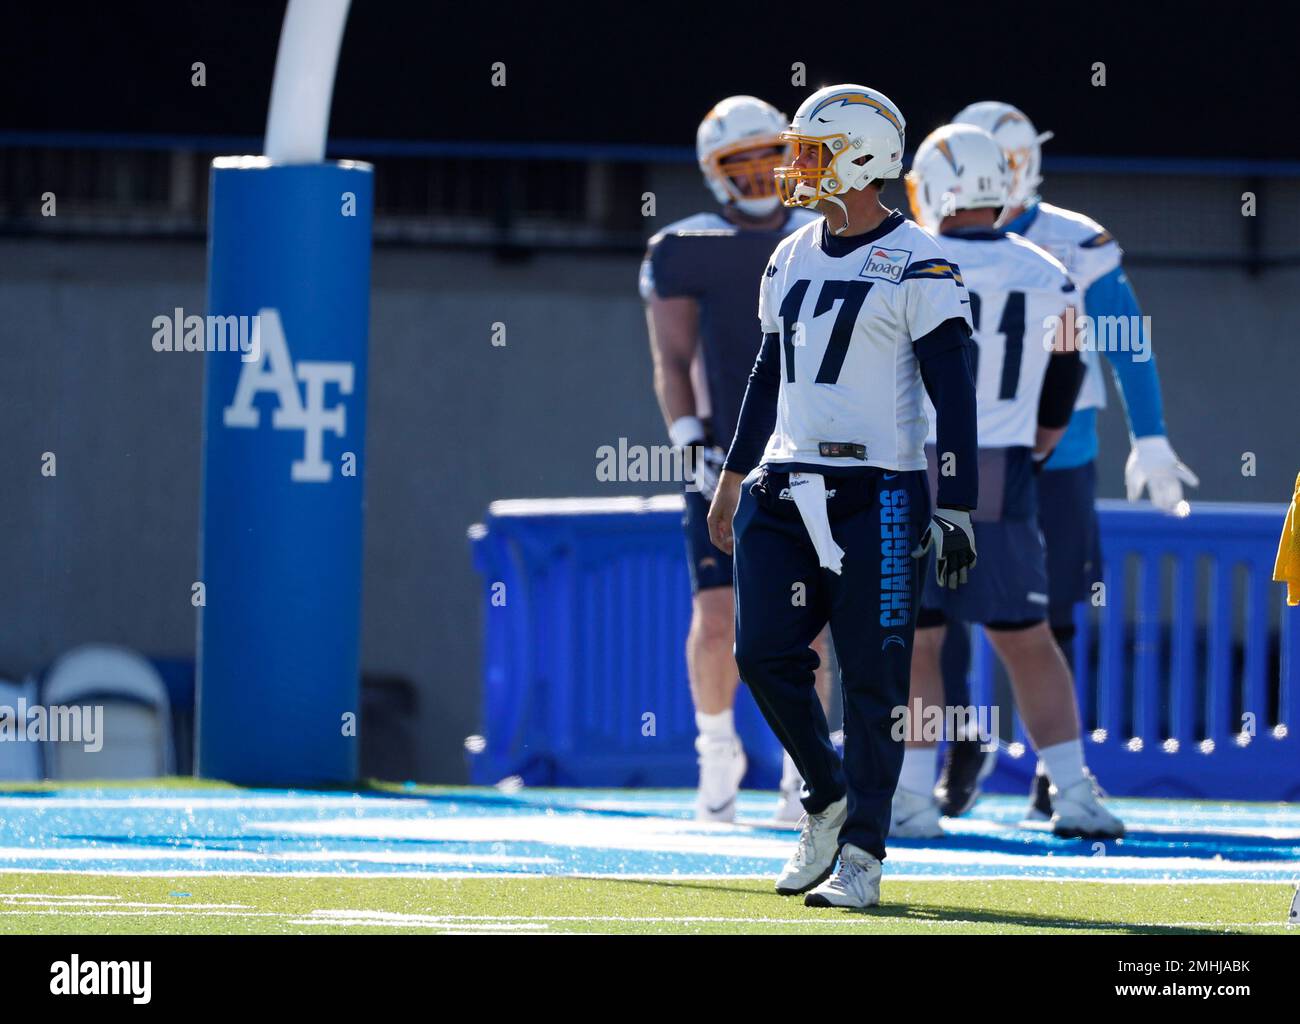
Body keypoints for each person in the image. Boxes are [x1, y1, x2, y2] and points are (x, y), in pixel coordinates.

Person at [707, 84, 979, 908]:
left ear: (862, 156)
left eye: (813, 151)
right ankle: (826, 795)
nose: (797, 167)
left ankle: (863, 850)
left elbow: (954, 394)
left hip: (881, 492)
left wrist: (956, 502)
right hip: (785, 483)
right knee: (761, 654)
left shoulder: (922, 258)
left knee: (872, 680)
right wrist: (730, 481)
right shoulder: (789, 254)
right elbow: (766, 377)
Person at [933, 101, 1199, 820]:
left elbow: (1124, 337)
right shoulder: (938, 249)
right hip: (994, 447)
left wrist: (1152, 436)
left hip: (1050, 447)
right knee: (940, 619)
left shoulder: (1072, 242)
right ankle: (959, 739)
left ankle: (1053, 770)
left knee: (1036, 616)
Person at [897, 123, 1123, 840]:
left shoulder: (906, 260)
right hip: (1002, 468)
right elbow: (1067, 371)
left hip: (918, 465)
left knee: (918, 642)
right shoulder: (1047, 269)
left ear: (935, 186)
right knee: (1026, 638)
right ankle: (1074, 792)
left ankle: (909, 798)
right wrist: (1038, 446)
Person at [640, 95, 829, 822]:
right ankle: (717, 751)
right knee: (716, 616)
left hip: (814, 454)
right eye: (739, 161)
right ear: (713, 172)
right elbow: (673, 356)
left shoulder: (828, 234)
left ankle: (801, 767)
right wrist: (688, 435)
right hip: (726, 460)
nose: (757, 173)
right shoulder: (683, 246)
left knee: (805, 624)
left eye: (767, 155)